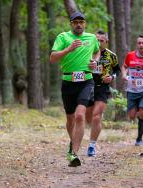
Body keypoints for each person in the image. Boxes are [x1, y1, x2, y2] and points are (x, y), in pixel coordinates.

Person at [49, 11, 100, 167]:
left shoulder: (91, 38)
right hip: (68, 81)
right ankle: (73, 143)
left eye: (81, 22)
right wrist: (68, 50)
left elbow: (97, 51)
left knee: (80, 116)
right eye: (75, 22)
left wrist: (95, 62)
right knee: (70, 118)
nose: (79, 24)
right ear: (71, 24)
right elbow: (52, 58)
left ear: (85, 24)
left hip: (86, 80)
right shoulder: (63, 37)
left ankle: (73, 153)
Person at [85, 30, 121, 156]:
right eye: (97, 40)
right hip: (87, 86)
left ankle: (92, 146)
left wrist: (112, 77)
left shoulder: (112, 56)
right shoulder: (87, 52)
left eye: (101, 40)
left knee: (96, 116)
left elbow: (117, 70)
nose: (99, 43)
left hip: (102, 87)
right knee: (88, 118)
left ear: (106, 42)